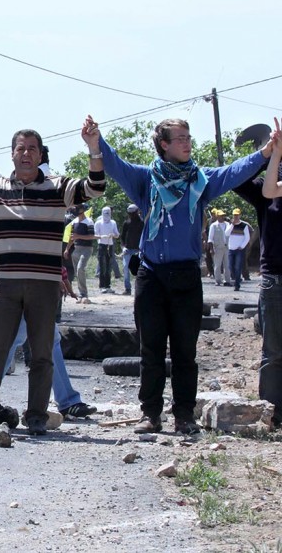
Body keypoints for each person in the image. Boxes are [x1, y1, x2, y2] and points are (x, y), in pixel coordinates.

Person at [96, 116, 271, 435]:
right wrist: (95, 140)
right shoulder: (146, 179)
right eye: (181, 138)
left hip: (185, 277)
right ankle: (150, 414)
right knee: (150, 349)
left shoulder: (199, 180)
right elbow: (115, 164)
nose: (188, 142)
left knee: (184, 351)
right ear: (164, 145)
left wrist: (265, 153)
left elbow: (233, 172)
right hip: (151, 275)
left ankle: (184, 416)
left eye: (189, 137)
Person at [0, 111, 104, 436]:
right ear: (12, 154)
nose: (26, 153)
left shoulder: (59, 188)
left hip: (45, 287)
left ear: (41, 155)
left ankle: (36, 417)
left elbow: (96, 187)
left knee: (42, 353)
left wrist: (93, 148)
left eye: (32, 148)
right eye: (20, 148)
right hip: (4, 285)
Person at [238, 124, 282, 429]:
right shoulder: (269, 188)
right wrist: (269, 153)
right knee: (274, 352)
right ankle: (272, 415)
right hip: (275, 278)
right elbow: (237, 179)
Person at [66, 206, 95, 303]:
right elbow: (71, 237)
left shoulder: (89, 222)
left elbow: (91, 236)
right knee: (77, 272)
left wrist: (79, 236)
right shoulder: (74, 222)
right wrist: (67, 249)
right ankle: (81, 293)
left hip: (86, 249)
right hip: (76, 249)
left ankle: (84, 293)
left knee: (80, 268)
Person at [94, 206, 120, 294]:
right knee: (102, 266)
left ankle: (108, 285)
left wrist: (113, 235)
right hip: (102, 245)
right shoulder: (98, 223)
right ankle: (102, 286)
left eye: (108, 212)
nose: (107, 214)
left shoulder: (113, 222)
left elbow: (117, 235)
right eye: (105, 213)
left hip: (110, 245)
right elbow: (95, 235)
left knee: (109, 266)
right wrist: (101, 236)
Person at [226, 208, 252, 291]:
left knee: (238, 267)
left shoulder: (244, 225)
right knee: (230, 266)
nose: (236, 217)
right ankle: (236, 279)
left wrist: (242, 246)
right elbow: (226, 233)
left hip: (239, 250)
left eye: (237, 215)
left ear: (240, 215)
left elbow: (247, 238)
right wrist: (232, 225)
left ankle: (237, 285)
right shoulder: (230, 225)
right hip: (231, 249)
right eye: (234, 215)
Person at [206, 208, 232, 286]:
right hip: (217, 247)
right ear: (217, 216)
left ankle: (227, 280)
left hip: (227, 247)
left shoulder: (228, 224)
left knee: (227, 265)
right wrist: (211, 249)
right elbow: (210, 238)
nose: (222, 217)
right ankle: (218, 280)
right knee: (217, 265)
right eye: (220, 216)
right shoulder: (213, 226)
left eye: (223, 215)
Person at [120, 203, 142, 295]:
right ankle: (127, 288)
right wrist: (123, 247)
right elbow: (122, 236)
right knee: (125, 268)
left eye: (133, 213)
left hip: (139, 250)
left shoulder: (142, 222)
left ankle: (139, 288)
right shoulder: (127, 223)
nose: (131, 215)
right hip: (128, 250)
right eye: (130, 213)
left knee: (139, 270)